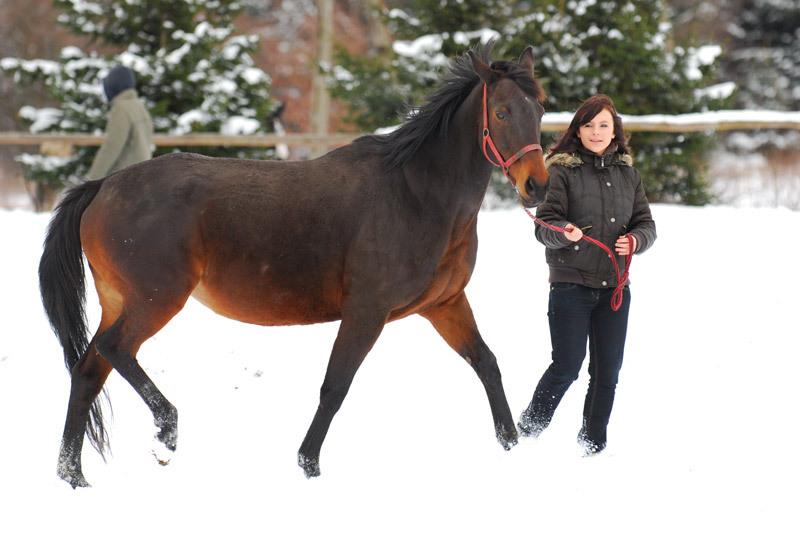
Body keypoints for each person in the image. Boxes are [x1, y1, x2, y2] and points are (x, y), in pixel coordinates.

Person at [518, 94, 657, 456]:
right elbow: (543, 225)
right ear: (578, 130)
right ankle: (527, 431)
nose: (596, 132)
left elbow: (647, 224)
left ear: (615, 131)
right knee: (566, 366)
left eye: (604, 125)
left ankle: (592, 446)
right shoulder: (560, 171)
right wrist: (562, 230)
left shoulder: (629, 174)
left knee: (607, 374)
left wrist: (636, 240)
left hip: (615, 288)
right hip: (571, 286)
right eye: (589, 124)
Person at [86, 65, 153, 180]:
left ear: (113, 85)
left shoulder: (121, 109)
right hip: (142, 176)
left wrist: (92, 180)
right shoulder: (139, 106)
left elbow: (112, 146)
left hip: (124, 180)